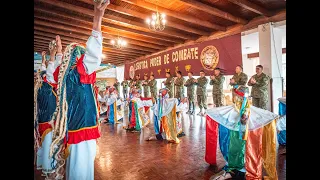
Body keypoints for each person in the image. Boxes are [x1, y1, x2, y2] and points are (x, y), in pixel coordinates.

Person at [48, 1, 109, 179]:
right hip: (83, 125)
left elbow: (54, 72)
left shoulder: (65, 76)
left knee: (75, 165)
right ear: (78, 58)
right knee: (82, 168)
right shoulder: (79, 72)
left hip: (73, 126)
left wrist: (56, 54)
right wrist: (97, 19)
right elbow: (94, 55)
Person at [206, 85, 279, 180]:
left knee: (238, 152)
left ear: (237, 96)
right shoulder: (241, 108)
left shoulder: (243, 109)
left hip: (240, 137)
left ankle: (235, 171)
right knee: (236, 152)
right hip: (237, 136)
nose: (233, 97)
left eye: (234, 95)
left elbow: (225, 114)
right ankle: (233, 170)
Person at [35, 35, 63, 178]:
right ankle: (49, 170)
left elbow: (47, 69)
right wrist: (55, 53)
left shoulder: (41, 86)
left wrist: (48, 57)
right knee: (49, 145)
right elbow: (53, 70)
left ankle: (43, 165)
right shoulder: (48, 85)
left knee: (43, 144)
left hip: (42, 119)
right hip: (50, 119)